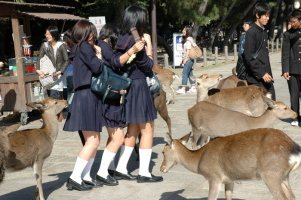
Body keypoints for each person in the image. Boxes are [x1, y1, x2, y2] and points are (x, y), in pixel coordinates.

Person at [112, 5, 163, 183]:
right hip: (140, 86)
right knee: (147, 130)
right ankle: (144, 173)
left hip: (128, 87)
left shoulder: (122, 38)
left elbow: (117, 62)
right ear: (139, 20)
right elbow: (148, 66)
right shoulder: (136, 40)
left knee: (132, 130)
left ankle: (120, 167)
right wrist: (148, 46)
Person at [95, 23, 144, 185]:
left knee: (113, 136)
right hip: (109, 98)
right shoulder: (105, 45)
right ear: (112, 36)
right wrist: (132, 51)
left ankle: (109, 169)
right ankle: (102, 172)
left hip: (108, 97)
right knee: (118, 136)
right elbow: (116, 63)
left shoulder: (99, 45)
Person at [63, 20, 104, 191]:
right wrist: (99, 56)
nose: (94, 35)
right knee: (93, 141)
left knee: (93, 140)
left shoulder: (76, 48)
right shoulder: (86, 47)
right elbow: (97, 67)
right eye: (92, 32)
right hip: (87, 96)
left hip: (83, 95)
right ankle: (75, 177)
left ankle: (86, 176)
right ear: (88, 33)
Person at [36, 26, 69, 121]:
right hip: (48, 74)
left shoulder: (61, 45)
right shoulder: (45, 45)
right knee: (50, 95)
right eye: (46, 34)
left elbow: (66, 60)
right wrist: (38, 69)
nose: (47, 36)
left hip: (58, 74)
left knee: (54, 95)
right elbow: (39, 58)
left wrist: (61, 71)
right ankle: (58, 114)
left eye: (49, 34)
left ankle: (50, 116)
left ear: (54, 35)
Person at [244, 3, 276, 100]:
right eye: (265, 16)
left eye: (268, 16)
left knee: (271, 103)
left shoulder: (262, 31)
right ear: (257, 15)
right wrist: (261, 73)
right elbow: (249, 57)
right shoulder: (251, 32)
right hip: (256, 78)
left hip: (266, 75)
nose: (267, 18)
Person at [282, 9, 301, 126]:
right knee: (294, 94)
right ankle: (295, 117)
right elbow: (285, 53)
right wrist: (285, 70)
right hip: (293, 69)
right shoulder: (287, 34)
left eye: (294, 22)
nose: (292, 24)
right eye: (290, 22)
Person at [176, 25, 196, 94]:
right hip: (190, 59)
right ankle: (193, 87)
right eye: (183, 30)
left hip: (188, 59)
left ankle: (183, 88)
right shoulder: (189, 39)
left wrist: (185, 59)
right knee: (190, 73)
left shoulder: (188, 39)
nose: (183, 31)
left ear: (188, 31)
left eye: (184, 30)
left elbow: (188, 50)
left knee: (184, 73)